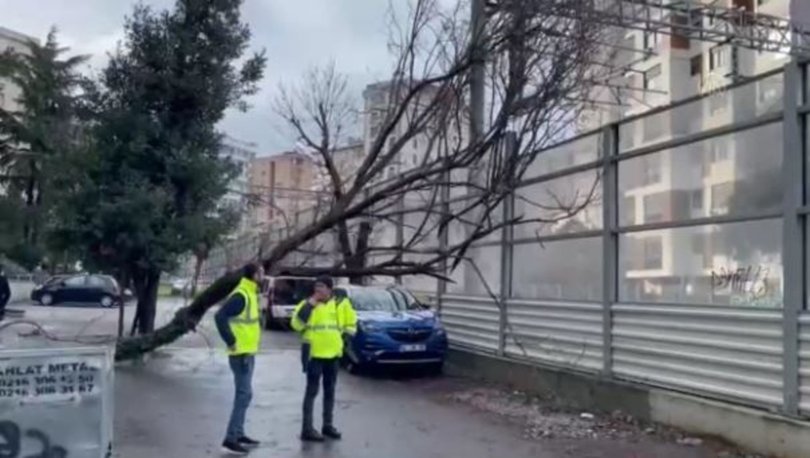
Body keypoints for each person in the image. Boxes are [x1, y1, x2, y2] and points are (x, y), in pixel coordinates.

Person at [291, 276, 356, 442]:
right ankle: (307, 429)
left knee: (330, 391)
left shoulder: (341, 304)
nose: (317, 290)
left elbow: (351, 325)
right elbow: (296, 324)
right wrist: (310, 305)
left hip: (333, 355)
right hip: (314, 355)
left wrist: (344, 342)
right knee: (311, 392)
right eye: (316, 287)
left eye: (321, 287)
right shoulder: (307, 304)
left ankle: (328, 425)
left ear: (329, 289)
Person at [214, 263, 264, 455]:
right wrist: (231, 341)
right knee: (243, 395)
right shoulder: (241, 294)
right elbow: (220, 317)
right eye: (261, 272)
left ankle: (239, 433)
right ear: (254, 274)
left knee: (246, 394)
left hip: (247, 352)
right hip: (241, 353)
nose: (264, 275)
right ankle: (230, 439)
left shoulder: (250, 292)